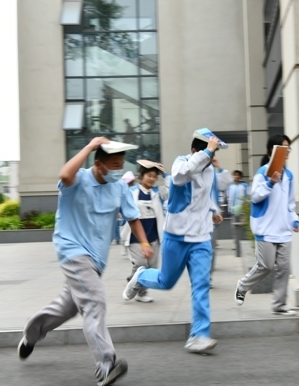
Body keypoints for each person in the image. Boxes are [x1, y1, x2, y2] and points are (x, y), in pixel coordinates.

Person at [17, 138, 153, 386]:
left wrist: (144, 242)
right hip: (72, 250)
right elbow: (64, 174)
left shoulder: (119, 188)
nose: (119, 169)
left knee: (66, 308)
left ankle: (31, 333)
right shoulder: (78, 180)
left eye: (121, 164)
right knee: (95, 301)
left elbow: (133, 218)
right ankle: (106, 364)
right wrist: (90, 146)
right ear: (99, 164)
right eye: (114, 165)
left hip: (96, 258)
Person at [123, 134, 224, 353]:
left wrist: (213, 211)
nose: (211, 159)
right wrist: (206, 152)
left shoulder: (209, 171)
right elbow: (179, 177)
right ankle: (141, 276)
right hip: (176, 236)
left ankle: (199, 336)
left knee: (201, 285)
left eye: (213, 153)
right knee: (165, 281)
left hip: (201, 238)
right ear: (195, 151)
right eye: (209, 153)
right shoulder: (181, 162)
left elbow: (204, 196)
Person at [234, 134, 299, 316]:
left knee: (284, 268)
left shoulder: (289, 175)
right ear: (272, 150)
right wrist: (270, 183)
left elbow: (290, 203)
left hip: (284, 229)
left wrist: (294, 219)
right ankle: (242, 285)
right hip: (265, 228)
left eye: (288, 147)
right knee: (266, 266)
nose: (287, 151)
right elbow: (255, 196)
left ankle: (279, 305)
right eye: (283, 147)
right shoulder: (262, 173)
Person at [121, 162, 168, 303]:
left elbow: (171, 191)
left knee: (152, 267)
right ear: (142, 176)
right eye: (149, 175)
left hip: (153, 234)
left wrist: (165, 174)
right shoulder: (131, 191)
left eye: (154, 176)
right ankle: (137, 287)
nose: (152, 179)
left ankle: (138, 287)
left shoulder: (158, 192)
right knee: (141, 263)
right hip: (135, 235)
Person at [227, 170, 249, 249]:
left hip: (242, 209)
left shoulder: (244, 186)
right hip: (233, 209)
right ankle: (236, 244)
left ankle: (244, 242)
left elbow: (247, 196)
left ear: (240, 176)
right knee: (233, 227)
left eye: (238, 175)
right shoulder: (230, 186)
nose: (236, 176)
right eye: (235, 175)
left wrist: (245, 203)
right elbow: (228, 197)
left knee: (243, 226)